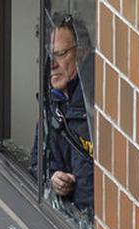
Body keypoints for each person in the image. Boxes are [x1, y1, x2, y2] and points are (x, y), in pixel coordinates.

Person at [32, 16, 93, 215]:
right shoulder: (51, 100)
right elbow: (37, 163)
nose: (52, 64)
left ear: (82, 52)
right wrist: (53, 178)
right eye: (49, 55)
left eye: (60, 54)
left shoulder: (95, 104)